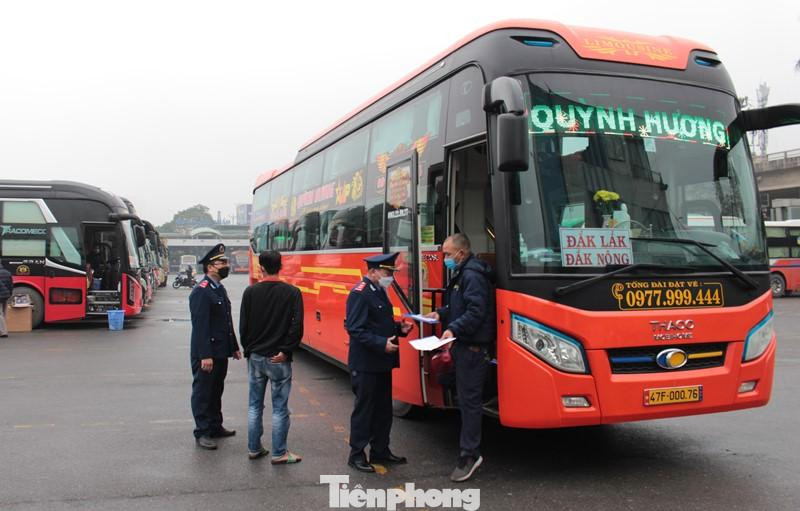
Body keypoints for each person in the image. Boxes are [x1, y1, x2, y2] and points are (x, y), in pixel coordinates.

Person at [426, 233, 495, 482]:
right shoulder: (463, 274)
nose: (444, 258)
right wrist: (440, 314)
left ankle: (470, 455)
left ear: (461, 253)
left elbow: (476, 312)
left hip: (472, 349)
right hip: (464, 347)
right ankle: (468, 449)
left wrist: (454, 328)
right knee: (464, 398)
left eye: (447, 254)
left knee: (470, 402)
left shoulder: (472, 276)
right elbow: (460, 307)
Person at [344, 252, 413, 473]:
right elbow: (355, 329)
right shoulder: (360, 293)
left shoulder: (380, 291)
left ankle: (380, 451)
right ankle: (356, 455)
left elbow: (380, 322)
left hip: (381, 363)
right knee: (365, 410)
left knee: (383, 410)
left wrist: (398, 330)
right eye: (386, 272)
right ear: (373, 272)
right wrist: (381, 343)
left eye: (391, 273)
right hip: (366, 364)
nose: (390, 277)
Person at [239, 250, 304, 463]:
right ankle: (279, 453)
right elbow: (296, 326)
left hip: (256, 357)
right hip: (279, 359)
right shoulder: (292, 292)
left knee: (254, 406)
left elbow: (244, 326)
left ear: (261, 268)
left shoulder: (250, 292)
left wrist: (250, 350)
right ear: (281, 266)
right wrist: (285, 350)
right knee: (279, 408)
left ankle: (254, 449)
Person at [189, 243, 241, 450]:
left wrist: (234, 346)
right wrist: (205, 355)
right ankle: (202, 431)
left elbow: (226, 322)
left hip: (220, 350)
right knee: (203, 392)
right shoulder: (201, 291)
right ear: (210, 267)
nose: (226, 265)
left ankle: (215, 426)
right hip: (207, 353)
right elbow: (201, 326)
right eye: (222, 262)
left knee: (216, 390)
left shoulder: (218, 288)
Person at [0, 262, 13, 338]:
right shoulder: (7, 273)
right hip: (6, 295)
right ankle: (2, 329)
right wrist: (9, 294)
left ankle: (4, 332)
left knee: (0, 314)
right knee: (3, 313)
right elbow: (11, 285)